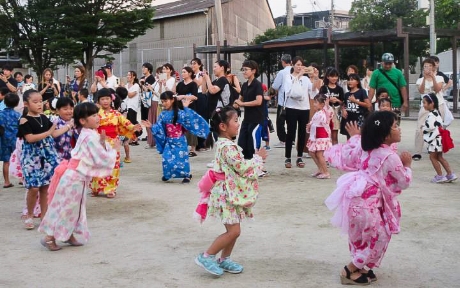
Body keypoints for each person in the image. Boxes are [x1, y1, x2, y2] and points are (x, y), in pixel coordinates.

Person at [324, 112, 412, 285]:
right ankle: (349, 270)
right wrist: (407, 166)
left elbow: (350, 155)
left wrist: (355, 136)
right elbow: (403, 182)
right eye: (395, 126)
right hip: (368, 204)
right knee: (379, 236)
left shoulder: (366, 148)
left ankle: (361, 268)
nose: (399, 129)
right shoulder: (390, 157)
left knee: (362, 237)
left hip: (356, 200)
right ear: (385, 135)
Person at [194, 106, 267, 276]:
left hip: (229, 193)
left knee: (234, 230)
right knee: (234, 231)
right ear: (223, 126)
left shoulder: (227, 144)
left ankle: (224, 258)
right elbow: (241, 167)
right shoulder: (227, 147)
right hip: (226, 194)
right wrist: (258, 158)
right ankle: (207, 256)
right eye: (235, 121)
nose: (238, 124)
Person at [38, 102, 118, 251]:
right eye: (93, 115)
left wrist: (103, 143)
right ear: (83, 120)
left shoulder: (89, 134)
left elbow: (94, 152)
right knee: (67, 208)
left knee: (72, 208)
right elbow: (100, 158)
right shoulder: (89, 136)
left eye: (97, 114)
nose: (97, 117)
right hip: (75, 178)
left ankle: (68, 234)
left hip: (73, 176)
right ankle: (50, 237)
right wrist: (113, 151)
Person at [142, 91, 209, 184]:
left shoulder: (180, 113)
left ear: (172, 100)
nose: (164, 103)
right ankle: (167, 174)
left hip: (180, 140)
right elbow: (159, 127)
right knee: (166, 158)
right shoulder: (163, 114)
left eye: (166, 101)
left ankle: (186, 175)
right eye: (162, 101)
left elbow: (189, 120)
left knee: (181, 159)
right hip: (169, 140)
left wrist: (185, 108)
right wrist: (151, 126)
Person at [19, 89, 59, 230]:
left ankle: (44, 215)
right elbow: (29, 138)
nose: (39, 104)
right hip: (31, 157)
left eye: (40, 101)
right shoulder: (24, 120)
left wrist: (69, 125)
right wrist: (48, 132)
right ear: (26, 104)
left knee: (45, 187)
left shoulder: (44, 117)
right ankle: (30, 215)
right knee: (34, 187)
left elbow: (53, 134)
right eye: (35, 102)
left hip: (46, 156)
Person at [90, 88, 142, 198]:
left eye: (107, 99)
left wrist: (134, 127)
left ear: (111, 100)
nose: (105, 101)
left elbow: (126, 123)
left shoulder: (117, 114)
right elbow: (91, 127)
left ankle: (110, 188)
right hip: (100, 141)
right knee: (98, 164)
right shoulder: (95, 114)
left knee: (113, 165)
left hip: (114, 142)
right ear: (98, 101)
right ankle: (96, 187)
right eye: (102, 99)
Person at [412, 58, 446, 161]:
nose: (428, 68)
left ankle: (438, 150)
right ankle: (418, 152)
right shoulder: (420, 80)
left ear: (434, 67)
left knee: (438, 128)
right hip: (425, 106)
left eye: (430, 66)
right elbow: (421, 91)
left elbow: (437, 89)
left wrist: (433, 77)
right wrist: (424, 78)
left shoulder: (439, 78)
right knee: (420, 128)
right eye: (426, 66)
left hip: (438, 105)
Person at [282, 56, 313, 169]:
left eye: (301, 65)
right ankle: (288, 157)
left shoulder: (306, 79)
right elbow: (288, 90)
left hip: (304, 108)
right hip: (291, 108)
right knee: (290, 132)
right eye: (297, 64)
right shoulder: (288, 77)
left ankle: (299, 156)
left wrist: (314, 77)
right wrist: (299, 76)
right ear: (293, 65)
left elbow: (313, 91)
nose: (299, 67)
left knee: (302, 133)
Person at [421, 93, 457, 183]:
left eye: (424, 102)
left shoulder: (431, 115)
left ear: (431, 103)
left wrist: (423, 127)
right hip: (439, 139)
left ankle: (440, 175)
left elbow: (430, 126)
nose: (423, 105)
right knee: (440, 157)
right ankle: (450, 174)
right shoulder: (437, 113)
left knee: (432, 157)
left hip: (435, 140)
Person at [233, 60, 264, 159]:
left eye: (246, 70)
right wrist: (236, 103)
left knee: (252, 142)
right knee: (241, 143)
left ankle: (257, 166)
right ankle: (245, 165)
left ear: (253, 71)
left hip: (256, 119)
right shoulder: (245, 85)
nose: (244, 72)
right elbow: (240, 99)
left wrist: (242, 104)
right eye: (243, 70)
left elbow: (259, 101)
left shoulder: (257, 84)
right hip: (247, 119)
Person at [368, 53, 408, 123]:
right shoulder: (376, 73)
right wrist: (369, 102)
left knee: (395, 124)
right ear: (382, 62)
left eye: (390, 64)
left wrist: (405, 101)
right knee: (381, 125)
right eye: (386, 63)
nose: (388, 66)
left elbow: (403, 87)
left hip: (395, 103)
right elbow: (372, 88)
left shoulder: (398, 72)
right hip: (381, 104)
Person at [306, 94, 332, 179]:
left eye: (316, 102)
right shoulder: (318, 113)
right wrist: (309, 125)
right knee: (312, 152)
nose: (314, 104)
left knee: (319, 154)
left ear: (322, 104)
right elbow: (313, 122)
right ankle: (320, 169)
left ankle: (326, 172)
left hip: (321, 135)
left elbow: (328, 116)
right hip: (315, 135)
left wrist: (327, 106)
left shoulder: (324, 113)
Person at [176, 66, 199, 157]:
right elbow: (175, 92)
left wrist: (183, 96)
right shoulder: (180, 84)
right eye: (182, 72)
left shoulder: (193, 84)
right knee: (181, 127)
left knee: (191, 127)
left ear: (189, 73)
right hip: (181, 107)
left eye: (184, 72)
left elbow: (195, 97)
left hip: (191, 108)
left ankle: (193, 149)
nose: (183, 74)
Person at [340, 73, 371, 139]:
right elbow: (344, 105)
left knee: (359, 138)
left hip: (359, 119)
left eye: (352, 80)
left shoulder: (362, 92)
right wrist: (343, 110)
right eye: (348, 80)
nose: (349, 82)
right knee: (349, 138)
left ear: (357, 82)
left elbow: (368, 105)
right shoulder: (347, 94)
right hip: (349, 119)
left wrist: (355, 101)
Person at [0, 93, 21, 188]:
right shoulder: (18, 115)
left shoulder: (1, 114)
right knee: (19, 159)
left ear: (4, 102)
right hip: (16, 139)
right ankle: (21, 179)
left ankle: (6, 181)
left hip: (4, 139)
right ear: (17, 104)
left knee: (6, 161)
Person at [271, 54, 292, 148]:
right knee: (291, 122)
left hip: (283, 101)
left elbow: (275, 86)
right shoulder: (295, 71)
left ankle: (283, 140)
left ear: (283, 62)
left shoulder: (282, 73)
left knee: (280, 121)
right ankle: (291, 139)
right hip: (293, 102)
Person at [320, 67, 344, 145]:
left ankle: (334, 153)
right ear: (327, 77)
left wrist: (337, 100)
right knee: (325, 135)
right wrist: (328, 100)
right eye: (332, 76)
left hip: (335, 112)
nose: (334, 78)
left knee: (334, 136)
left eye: (336, 76)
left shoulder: (340, 89)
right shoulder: (323, 88)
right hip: (326, 113)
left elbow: (343, 102)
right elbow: (319, 100)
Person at [190, 58, 208, 151]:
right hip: (193, 97)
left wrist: (192, 77)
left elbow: (199, 83)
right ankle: (196, 143)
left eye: (195, 63)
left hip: (201, 96)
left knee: (202, 119)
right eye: (192, 63)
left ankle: (203, 143)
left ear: (200, 65)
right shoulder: (191, 75)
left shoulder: (201, 73)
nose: (193, 65)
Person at [52, 97, 75, 162]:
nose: (69, 111)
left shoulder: (75, 122)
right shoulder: (54, 123)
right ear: (57, 110)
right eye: (65, 109)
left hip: (72, 157)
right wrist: (68, 126)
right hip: (58, 158)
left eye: (71, 108)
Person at [144, 66, 162, 149]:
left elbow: (160, 94)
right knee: (151, 121)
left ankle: (156, 141)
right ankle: (151, 142)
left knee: (156, 122)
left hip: (158, 103)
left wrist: (152, 90)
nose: (158, 75)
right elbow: (148, 89)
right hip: (153, 102)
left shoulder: (162, 82)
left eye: (159, 73)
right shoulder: (157, 81)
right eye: (157, 73)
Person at [125, 70, 141, 146]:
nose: (128, 76)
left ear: (133, 77)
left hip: (133, 106)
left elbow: (130, 95)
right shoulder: (126, 85)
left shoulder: (136, 86)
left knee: (133, 122)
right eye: (127, 75)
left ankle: (137, 136)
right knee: (128, 123)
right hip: (126, 106)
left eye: (129, 75)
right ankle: (132, 138)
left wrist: (124, 90)